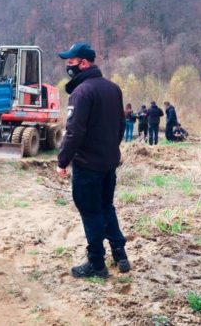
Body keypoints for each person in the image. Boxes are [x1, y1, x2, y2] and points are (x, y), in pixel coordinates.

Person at [56, 42, 129, 279]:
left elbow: (74, 131)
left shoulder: (82, 92)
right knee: (107, 207)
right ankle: (120, 254)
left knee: (90, 212)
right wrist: (110, 152)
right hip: (108, 163)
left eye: (71, 61)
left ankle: (96, 263)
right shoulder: (113, 89)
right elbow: (120, 126)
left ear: (84, 63)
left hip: (87, 166)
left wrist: (62, 161)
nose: (68, 65)